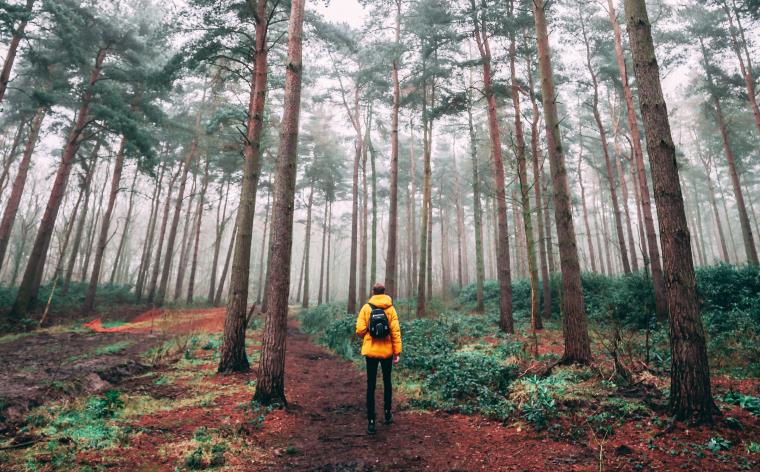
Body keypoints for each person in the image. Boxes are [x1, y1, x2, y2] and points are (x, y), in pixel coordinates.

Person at [355, 282, 402, 435]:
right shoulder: (391, 309)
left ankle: (371, 422)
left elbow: (360, 330)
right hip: (387, 352)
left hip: (371, 352)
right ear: (384, 292)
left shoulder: (366, 308)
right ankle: (387, 413)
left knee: (371, 385)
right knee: (387, 382)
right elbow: (395, 332)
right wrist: (397, 352)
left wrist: (369, 331)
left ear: (373, 292)